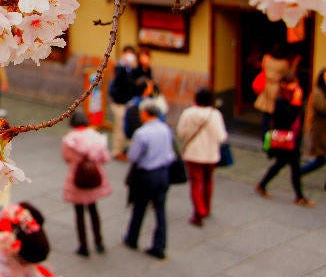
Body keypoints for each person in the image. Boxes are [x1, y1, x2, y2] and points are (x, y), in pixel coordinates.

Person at [123, 99, 176, 260]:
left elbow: (133, 156)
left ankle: (132, 238)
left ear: (145, 114)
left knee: (139, 207)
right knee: (160, 210)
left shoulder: (142, 133)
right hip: (163, 173)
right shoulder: (166, 129)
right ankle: (159, 245)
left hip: (147, 174)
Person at [255, 74, 315, 206]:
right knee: (293, 166)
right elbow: (288, 119)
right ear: (285, 85)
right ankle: (299, 196)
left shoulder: (294, 97)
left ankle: (262, 185)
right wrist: (296, 103)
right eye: (293, 83)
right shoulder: (281, 101)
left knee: (281, 165)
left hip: (294, 138)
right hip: (286, 139)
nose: (297, 86)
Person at [61, 111, 111, 257]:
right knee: (94, 210)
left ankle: (83, 246)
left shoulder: (69, 139)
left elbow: (66, 158)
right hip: (94, 177)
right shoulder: (97, 137)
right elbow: (105, 158)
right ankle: (99, 242)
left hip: (77, 178)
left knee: (79, 213)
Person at [177, 88, 228, 227]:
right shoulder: (215, 114)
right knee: (208, 181)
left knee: (195, 183)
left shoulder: (188, 113)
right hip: (211, 154)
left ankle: (198, 211)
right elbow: (222, 137)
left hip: (193, 154)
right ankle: (207, 207)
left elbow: (181, 133)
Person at [254, 43, 296, 135]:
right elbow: (289, 75)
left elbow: (262, 68)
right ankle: (274, 136)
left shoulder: (266, 59)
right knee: (275, 113)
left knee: (266, 113)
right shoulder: (284, 63)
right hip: (277, 88)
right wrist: (295, 64)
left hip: (266, 86)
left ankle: (264, 134)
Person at [108, 46, 137, 160]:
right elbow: (119, 81)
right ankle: (116, 150)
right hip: (119, 103)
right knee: (119, 127)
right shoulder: (119, 67)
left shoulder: (131, 68)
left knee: (127, 127)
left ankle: (125, 149)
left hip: (128, 102)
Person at [301, 67, 326, 181]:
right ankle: (299, 172)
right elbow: (322, 108)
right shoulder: (317, 92)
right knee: (320, 160)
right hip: (320, 131)